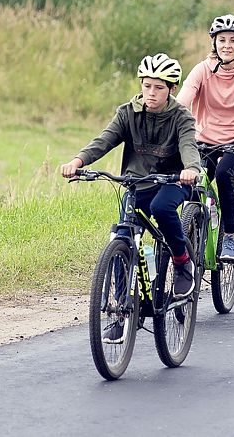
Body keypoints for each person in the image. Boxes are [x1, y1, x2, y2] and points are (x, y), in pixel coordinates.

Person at [61, 53, 202, 341]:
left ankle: (181, 260)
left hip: (174, 181)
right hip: (137, 183)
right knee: (122, 237)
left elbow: (189, 146)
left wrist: (191, 169)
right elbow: (105, 139)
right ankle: (123, 312)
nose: (151, 93)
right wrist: (78, 161)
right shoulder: (128, 113)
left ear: (172, 89)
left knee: (161, 208)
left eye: (159, 87)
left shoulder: (181, 117)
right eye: (147, 86)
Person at [176, 14, 234, 261]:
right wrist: (167, 126)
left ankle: (229, 236)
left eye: (233, 40)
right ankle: (192, 225)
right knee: (191, 179)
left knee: (224, 173)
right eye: (222, 40)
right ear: (214, 43)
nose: (227, 45)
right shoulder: (203, 70)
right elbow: (182, 102)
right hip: (204, 141)